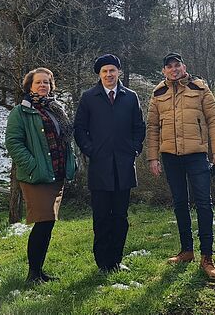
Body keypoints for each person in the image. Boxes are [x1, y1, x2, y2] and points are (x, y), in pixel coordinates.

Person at [147, 53, 215, 280]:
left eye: (177, 65)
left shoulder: (200, 88)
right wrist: (153, 158)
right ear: (164, 71)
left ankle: (207, 256)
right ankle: (186, 251)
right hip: (170, 157)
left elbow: (214, 119)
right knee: (180, 204)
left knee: (203, 204)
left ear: (184, 66)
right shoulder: (158, 93)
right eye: (169, 66)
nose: (173, 69)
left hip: (197, 156)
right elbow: (152, 127)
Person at [74, 54, 146, 273]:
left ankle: (116, 260)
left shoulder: (130, 97)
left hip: (124, 167)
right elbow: (79, 129)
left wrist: (135, 148)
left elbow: (139, 126)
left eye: (112, 70)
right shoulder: (89, 97)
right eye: (104, 71)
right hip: (100, 167)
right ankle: (103, 263)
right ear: (99, 74)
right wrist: (90, 150)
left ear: (119, 72)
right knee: (102, 217)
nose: (109, 74)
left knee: (121, 217)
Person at [5, 67, 77, 284]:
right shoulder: (21, 111)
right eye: (39, 82)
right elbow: (13, 143)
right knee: (43, 221)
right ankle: (33, 274)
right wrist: (33, 165)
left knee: (48, 223)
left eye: (47, 82)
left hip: (56, 174)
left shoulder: (56, 110)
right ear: (30, 86)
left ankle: (38, 272)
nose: (43, 85)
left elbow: (65, 140)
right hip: (37, 177)